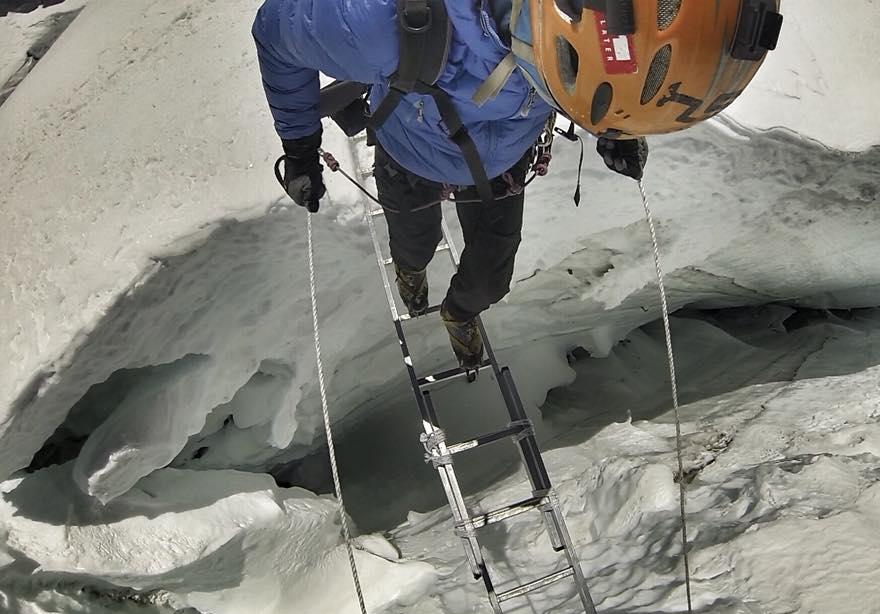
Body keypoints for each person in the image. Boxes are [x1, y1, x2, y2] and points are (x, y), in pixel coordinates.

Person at [253, 0, 781, 371]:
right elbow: (275, 36)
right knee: (411, 243)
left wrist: (611, 123)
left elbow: (629, 47)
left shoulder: (579, 27)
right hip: (411, 155)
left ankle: (459, 310)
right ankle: (413, 273)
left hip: (502, 163)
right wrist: (299, 147)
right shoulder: (383, 19)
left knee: (490, 278)